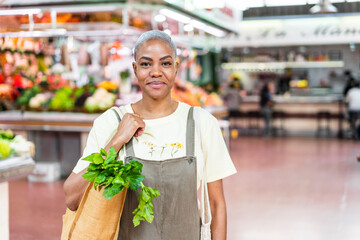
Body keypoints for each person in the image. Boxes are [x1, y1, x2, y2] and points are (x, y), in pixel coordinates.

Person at [63, 30, 237, 240]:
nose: (155, 72)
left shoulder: (202, 123)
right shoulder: (110, 122)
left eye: (165, 63)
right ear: (135, 69)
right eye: (146, 64)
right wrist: (117, 140)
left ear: (176, 67)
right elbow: (72, 197)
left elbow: (217, 205)